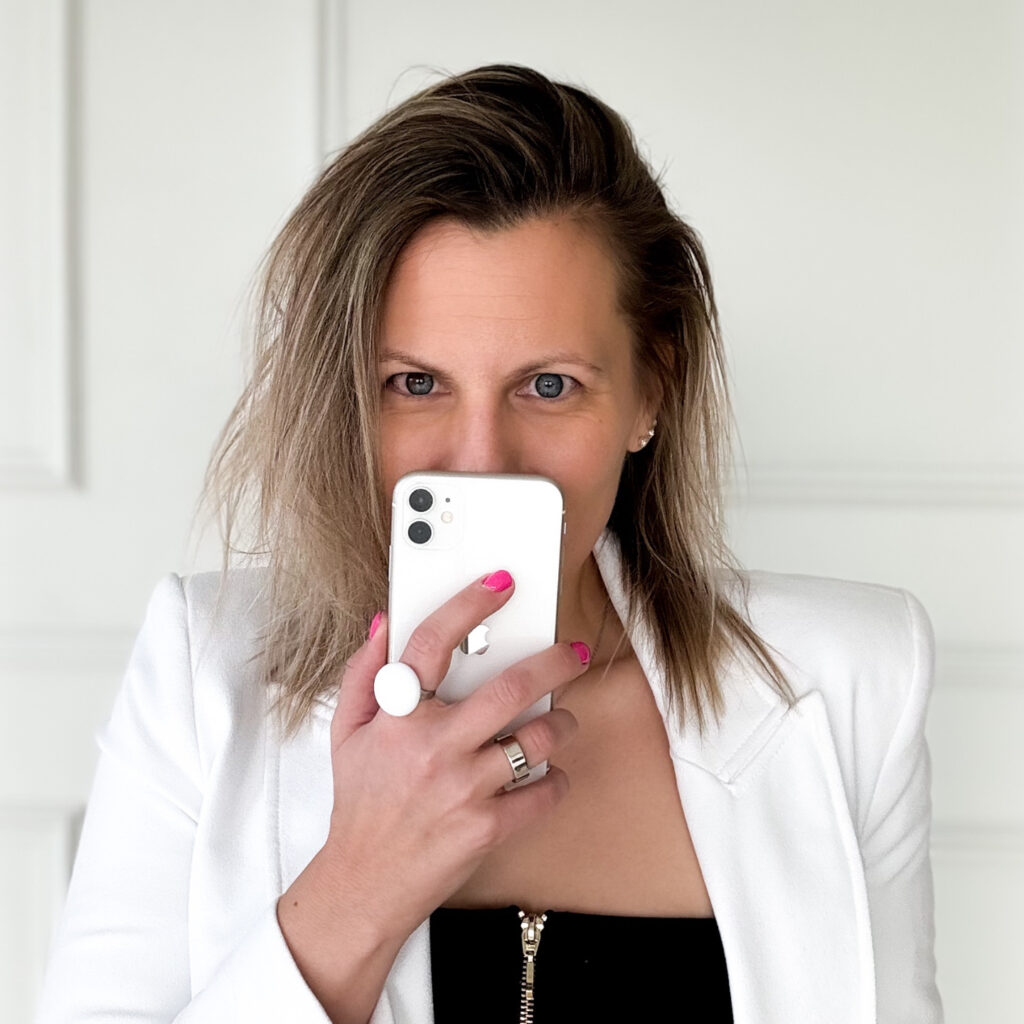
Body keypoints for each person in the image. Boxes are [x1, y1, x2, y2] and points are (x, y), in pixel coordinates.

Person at [37, 65, 942, 1023]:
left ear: (650, 390)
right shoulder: (204, 677)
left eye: (549, 386)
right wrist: (360, 884)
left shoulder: (852, 684)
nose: (482, 462)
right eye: (415, 383)